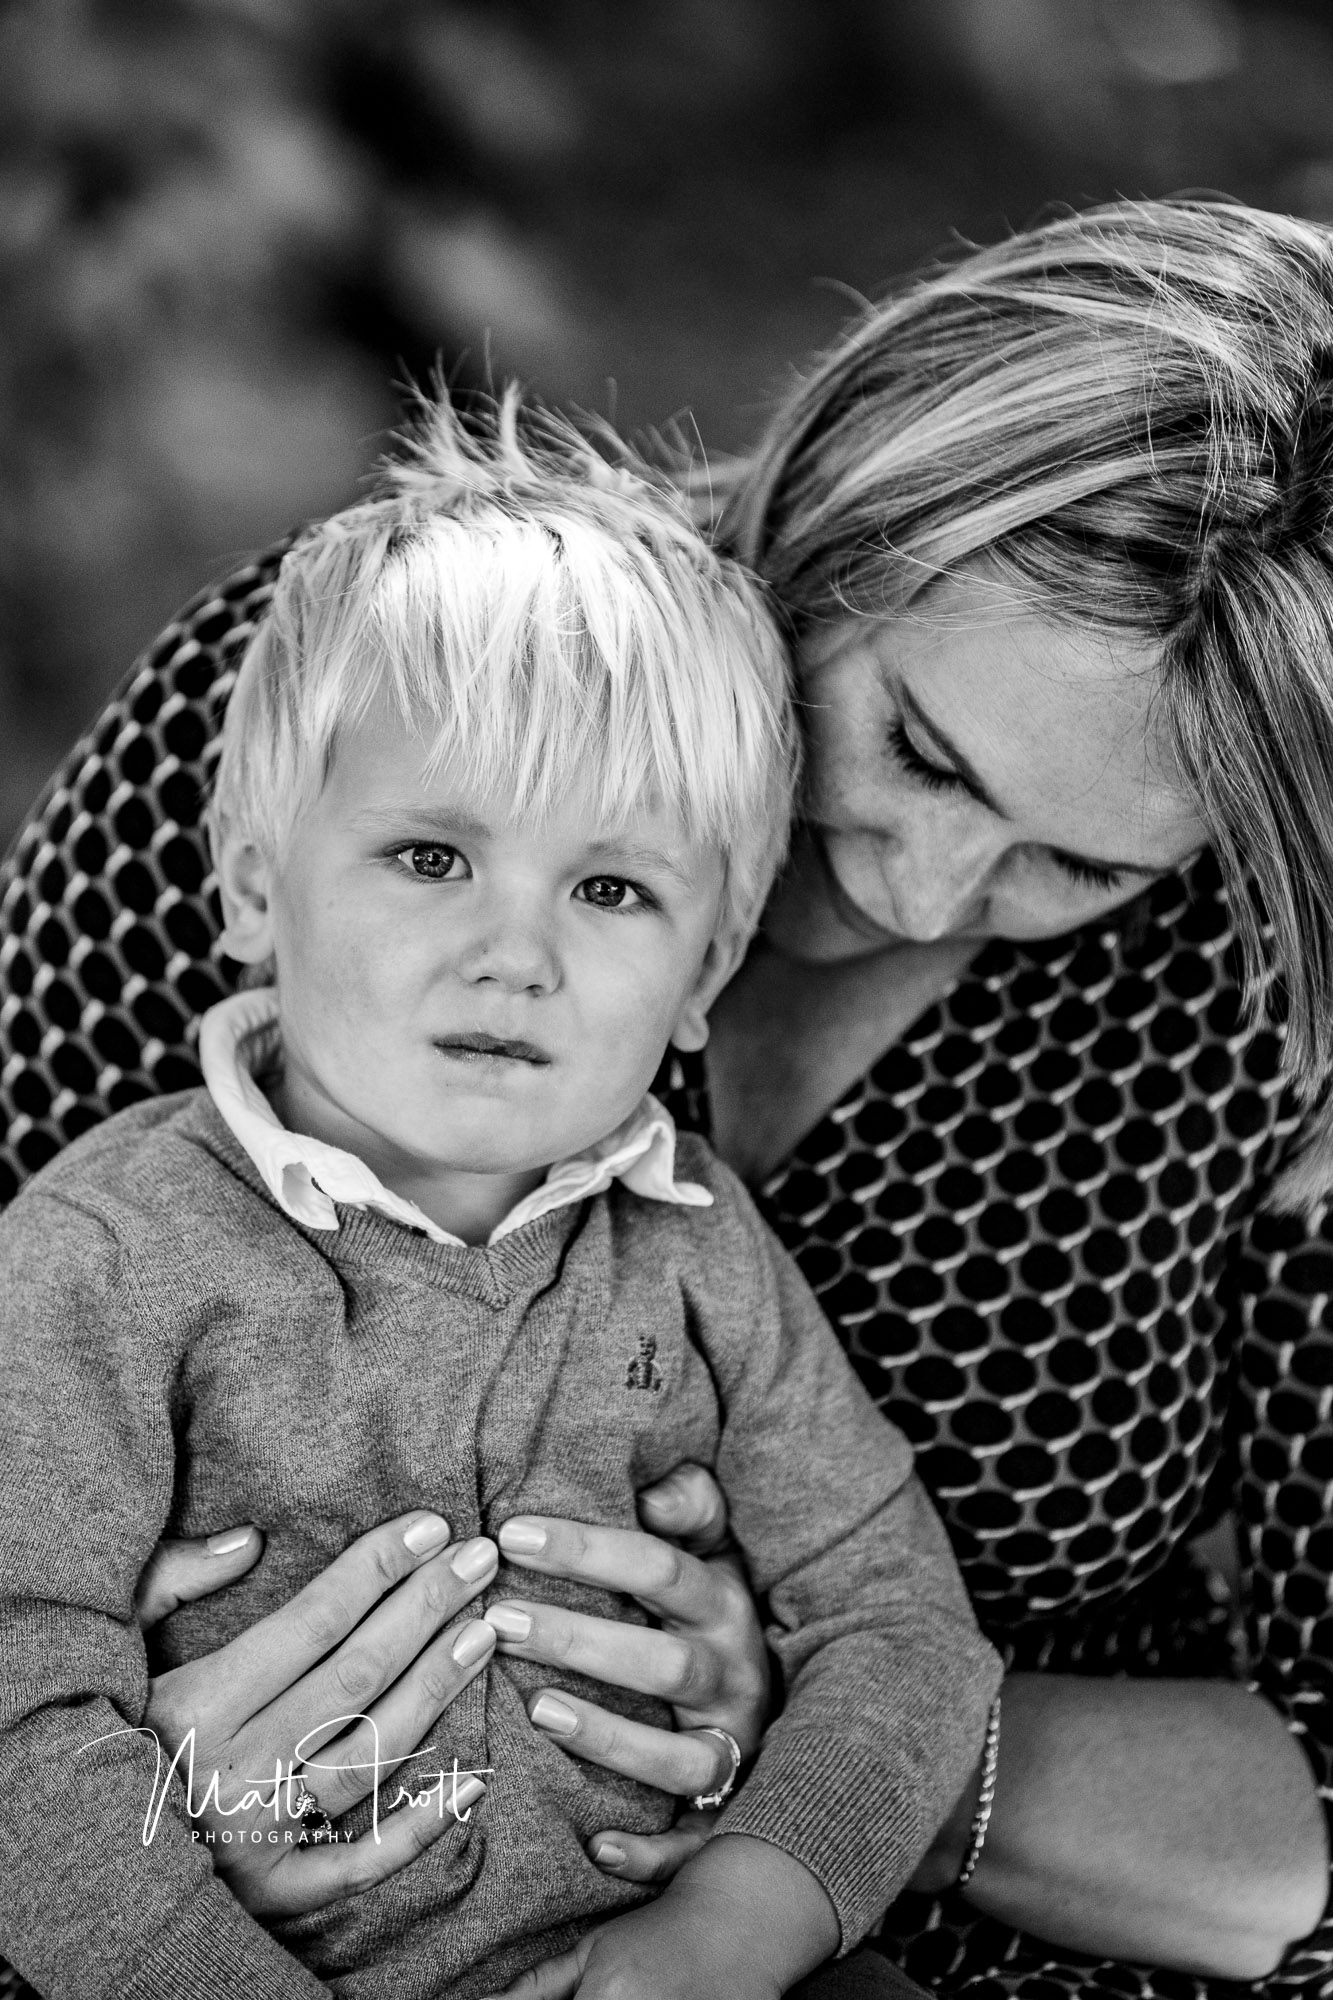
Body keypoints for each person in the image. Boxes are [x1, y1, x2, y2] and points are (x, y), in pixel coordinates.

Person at [2, 193, 1332, 1999]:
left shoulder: (715, 1235)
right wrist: (147, 1815)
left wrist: (797, 1812)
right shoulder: (414, 680)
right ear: (846, 501)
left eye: (1076, 869)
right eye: (919, 753)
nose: (926, 894)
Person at [0, 396, 1000, 2000]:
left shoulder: (690, 1246)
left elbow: (895, 1624)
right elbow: (14, 1703)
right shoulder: (107, 1253)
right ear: (255, 882)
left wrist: (739, 1926)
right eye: (429, 857)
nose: (512, 951)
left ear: (703, 974)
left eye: (610, 890)